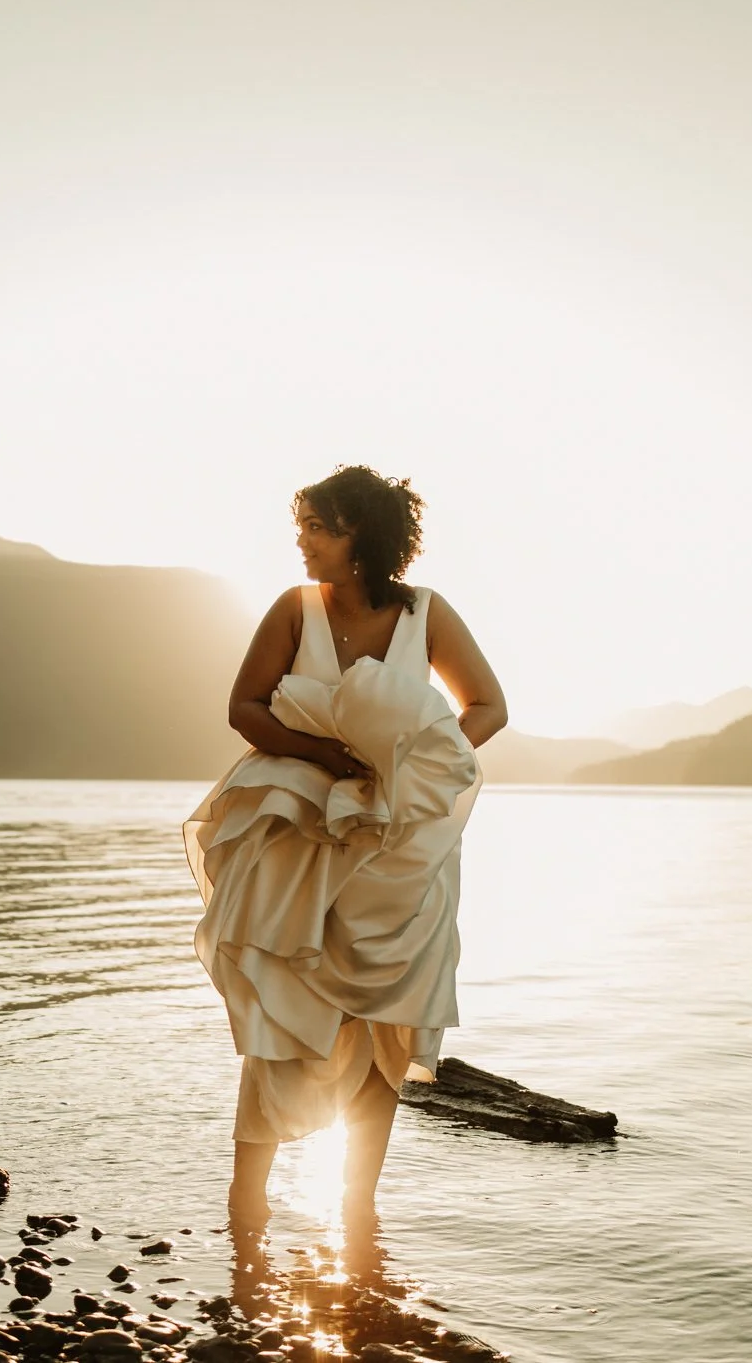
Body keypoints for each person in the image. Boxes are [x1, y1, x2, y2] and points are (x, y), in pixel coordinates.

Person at [186, 465, 506, 1232]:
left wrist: (416, 767)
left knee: (383, 1026)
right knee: (283, 1015)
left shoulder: (427, 613)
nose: (304, 542)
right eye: (304, 527)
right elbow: (244, 706)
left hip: (398, 852)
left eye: (320, 528)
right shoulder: (293, 609)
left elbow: (488, 707)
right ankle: (246, 1200)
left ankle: (358, 1202)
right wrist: (326, 758)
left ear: (362, 533)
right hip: (299, 837)